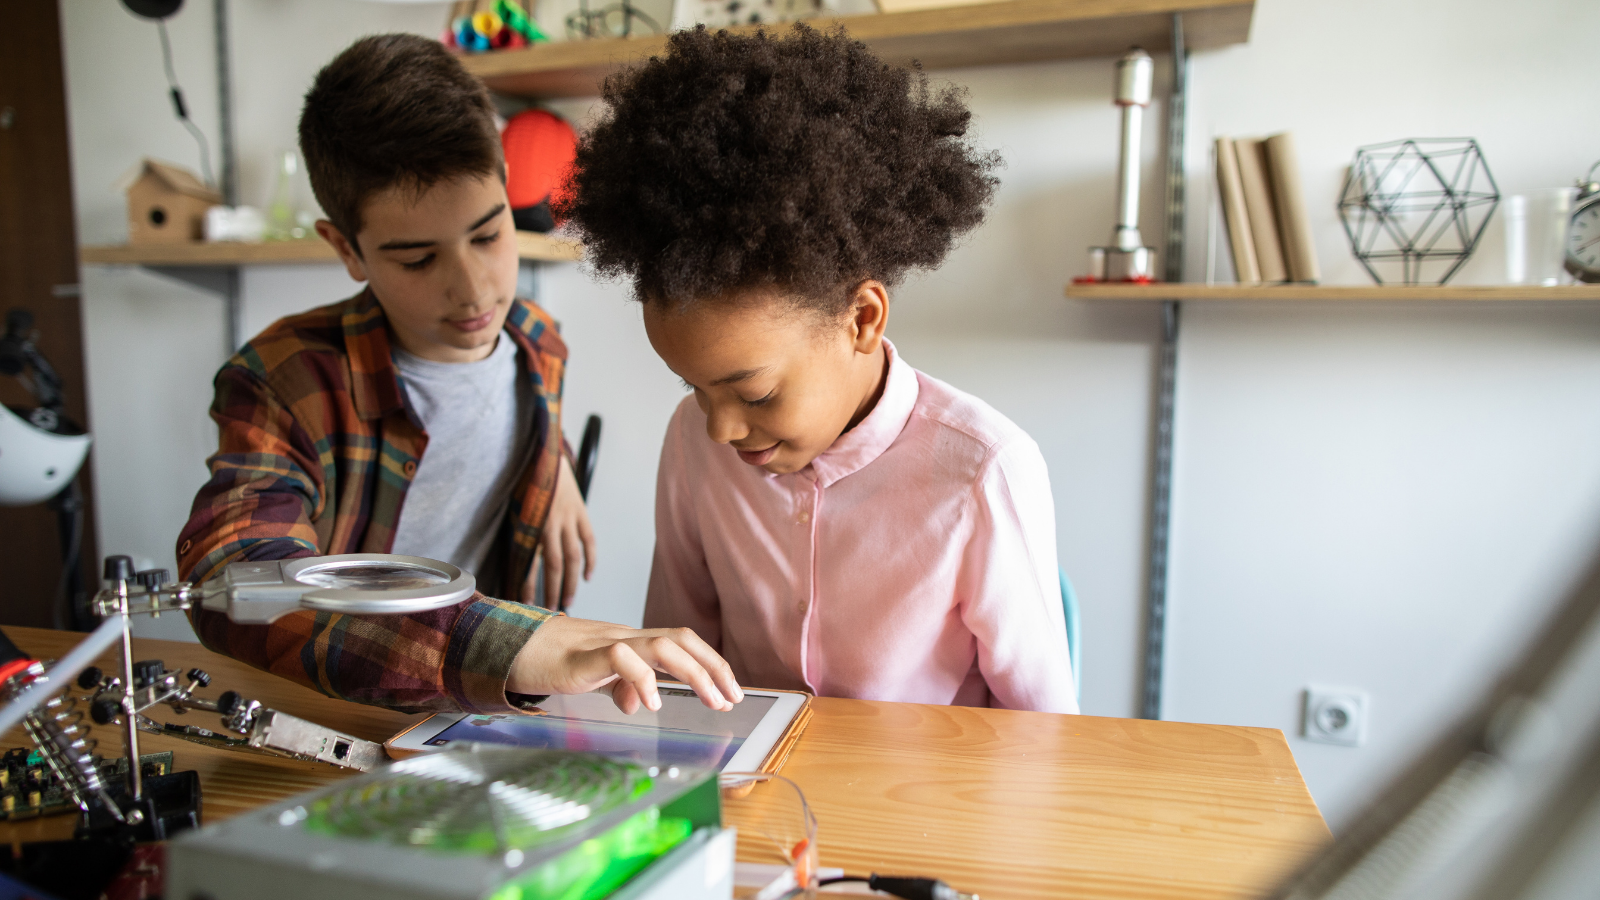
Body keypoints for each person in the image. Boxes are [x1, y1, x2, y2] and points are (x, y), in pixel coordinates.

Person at [175, 34, 741, 717]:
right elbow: (232, 582)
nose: (472, 291)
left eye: (487, 234)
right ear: (346, 249)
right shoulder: (284, 378)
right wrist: (506, 646)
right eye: (417, 260)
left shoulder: (538, 342)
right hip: (343, 718)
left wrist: (551, 454)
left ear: (508, 190)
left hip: (487, 718)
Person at [561, 26, 1078, 713]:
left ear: (861, 320)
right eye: (692, 386)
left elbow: (1047, 731)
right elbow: (677, 670)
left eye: (756, 392)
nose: (719, 427)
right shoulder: (694, 440)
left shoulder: (984, 471)